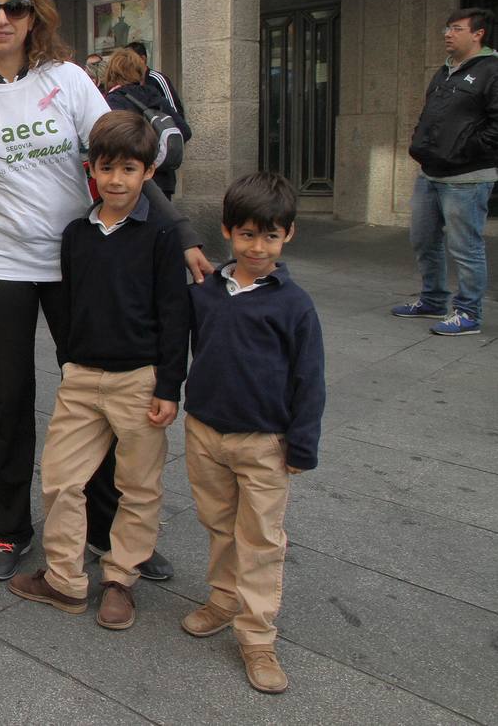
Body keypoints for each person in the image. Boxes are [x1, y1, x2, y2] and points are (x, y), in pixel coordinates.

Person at [0, 0, 210, 582]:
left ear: (35, 15)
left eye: (16, 7)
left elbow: (125, 160)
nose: (2, 19)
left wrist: (180, 232)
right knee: (9, 399)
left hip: (77, 263)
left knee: (99, 398)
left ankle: (109, 532)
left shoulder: (69, 81)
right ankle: (9, 530)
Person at [7, 111, 187, 630]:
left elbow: (176, 316)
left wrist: (169, 385)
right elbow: (66, 305)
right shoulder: (76, 235)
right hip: (83, 379)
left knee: (138, 486)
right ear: (91, 169)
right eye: (107, 168)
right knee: (62, 479)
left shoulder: (160, 237)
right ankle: (64, 578)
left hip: (140, 381)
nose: (116, 180)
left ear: (148, 173)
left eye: (129, 169)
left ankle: (120, 580)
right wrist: (69, 361)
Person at [182, 171, 325, 694]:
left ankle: (258, 636)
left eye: (270, 235)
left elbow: (310, 379)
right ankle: (223, 600)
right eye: (247, 234)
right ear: (227, 232)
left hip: (265, 441)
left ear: (288, 235)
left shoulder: (293, 304)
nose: (257, 246)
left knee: (260, 539)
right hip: (205, 432)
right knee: (219, 525)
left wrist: (301, 445)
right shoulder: (206, 291)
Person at [393, 7, 498, 336]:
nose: (447, 34)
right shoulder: (445, 71)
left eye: (455, 28)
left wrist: (462, 150)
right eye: (447, 28)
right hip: (430, 172)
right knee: (423, 239)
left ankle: (468, 313)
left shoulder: (492, 70)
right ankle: (433, 299)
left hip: (467, 178)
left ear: (477, 34)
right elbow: (431, 114)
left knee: (465, 246)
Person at [103, 48, 191, 197]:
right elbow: (185, 132)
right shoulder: (155, 96)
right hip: (163, 180)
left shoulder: (113, 101)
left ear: (112, 72)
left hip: (130, 182)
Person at [125, 41, 185, 121]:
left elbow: (174, 110)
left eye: (131, 59)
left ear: (142, 59)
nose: (127, 63)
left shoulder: (158, 79)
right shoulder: (129, 84)